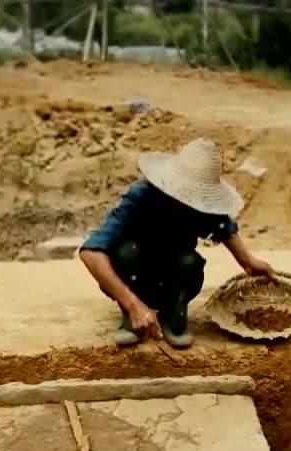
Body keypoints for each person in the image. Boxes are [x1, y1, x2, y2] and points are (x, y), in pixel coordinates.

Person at [78, 138, 276, 349]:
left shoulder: (201, 206)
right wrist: (133, 305)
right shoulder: (140, 196)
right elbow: (91, 251)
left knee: (190, 262)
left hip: (174, 276)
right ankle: (131, 318)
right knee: (128, 253)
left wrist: (248, 261)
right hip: (136, 274)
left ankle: (173, 314)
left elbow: (223, 226)